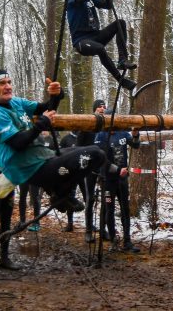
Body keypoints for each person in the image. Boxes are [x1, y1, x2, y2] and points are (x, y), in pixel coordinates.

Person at [0, 69, 106, 215]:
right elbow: (17, 143)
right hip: (28, 168)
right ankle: (60, 193)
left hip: (42, 157)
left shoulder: (15, 102)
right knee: (96, 154)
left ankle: (59, 192)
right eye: (1, 83)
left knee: (94, 153)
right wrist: (42, 123)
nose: (8, 86)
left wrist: (56, 95)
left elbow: (45, 108)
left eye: (9, 82)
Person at [66, 0, 137, 92]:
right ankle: (120, 80)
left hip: (96, 36)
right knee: (100, 49)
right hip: (81, 41)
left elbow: (108, 5)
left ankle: (122, 60)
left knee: (120, 23)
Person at [95, 118, 141, 253]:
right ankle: (113, 241)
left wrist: (136, 135)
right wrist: (116, 169)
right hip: (108, 181)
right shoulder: (101, 135)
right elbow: (101, 159)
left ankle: (127, 241)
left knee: (125, 209)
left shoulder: (123, 133)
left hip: (122, 180)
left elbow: (135, 145)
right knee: (109, 209)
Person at [68, 100, 107, 242]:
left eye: (104, 107)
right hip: (89, 167)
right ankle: (88, 230)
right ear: (94, 109)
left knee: (105, 199)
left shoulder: (106, 126)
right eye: (99, 107)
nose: (102, 109)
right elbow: (78, 147)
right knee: (89, 199)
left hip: (104, 166)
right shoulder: (87, 126)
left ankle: (103, 229)